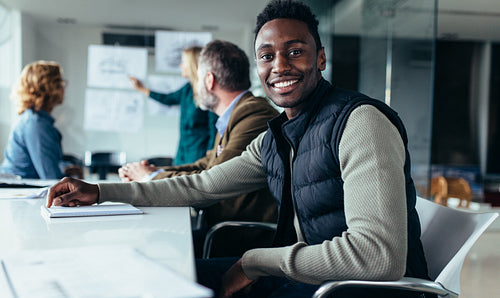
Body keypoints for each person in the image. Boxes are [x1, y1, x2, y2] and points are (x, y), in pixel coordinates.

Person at [47, 1, 433, 297]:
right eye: (267, 55)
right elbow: (200, 186)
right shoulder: (279, 134)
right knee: (165, 273)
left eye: (295, 51)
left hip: (357, 290)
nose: (279, 65)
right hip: (314, 276)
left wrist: (254, 263)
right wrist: (100, 192)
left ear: (321, 58)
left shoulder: (359, 122)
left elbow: (377, 256)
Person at [120, 40, 279, 257]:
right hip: (224, 229)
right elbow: (205, 164)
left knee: (151, 251)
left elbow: (214, 182)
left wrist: (149, 179)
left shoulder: (253, 115)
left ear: (209, 81)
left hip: (241, 240)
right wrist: (154, 172)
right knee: (147, 245)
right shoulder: (234, 114)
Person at [129, 46, 217, 165]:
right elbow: (167, 99)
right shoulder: (187, 89)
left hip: (199, 151)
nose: (181, 66)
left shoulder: (207, 92)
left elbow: (214, 126)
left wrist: (211, 150)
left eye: (184, 62)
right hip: (182, 150)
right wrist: (142, 89)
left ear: (192, 64)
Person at [1, 61, 82, 180]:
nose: (64, 88)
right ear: (49, 88)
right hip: (22, 190)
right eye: (60, 83)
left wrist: (63, 168)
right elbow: (50, 177)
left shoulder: (35, 120)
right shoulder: (36, 124)